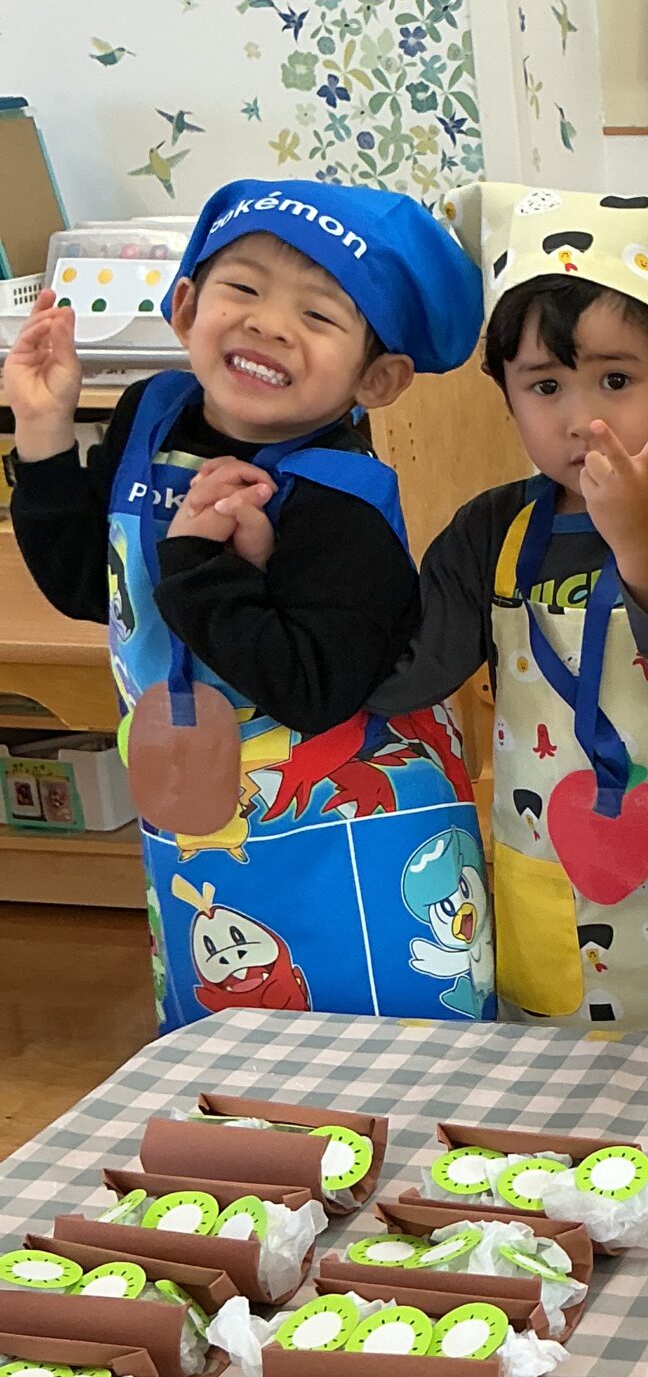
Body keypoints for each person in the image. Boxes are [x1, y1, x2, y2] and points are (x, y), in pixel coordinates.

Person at [4, 179, 493, 1031]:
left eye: (318, 314)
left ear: (377, 378)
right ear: (185, 306)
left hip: (354, 838)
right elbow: (95, 587)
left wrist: (198, 562)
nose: (269, 323)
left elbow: (311, 688)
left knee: (380, 1057)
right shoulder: (152, 417)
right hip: (202, 817)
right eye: (243, 287)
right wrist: (44, 437)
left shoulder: (342, 503)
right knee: (227, 1050)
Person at [370, 184, 648, 1038]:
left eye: (616, 379)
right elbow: (408, 676)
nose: (582, 417)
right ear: (505, 395)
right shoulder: (488, 532)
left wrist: (639, 543)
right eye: (545, 386)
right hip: (554, 888)